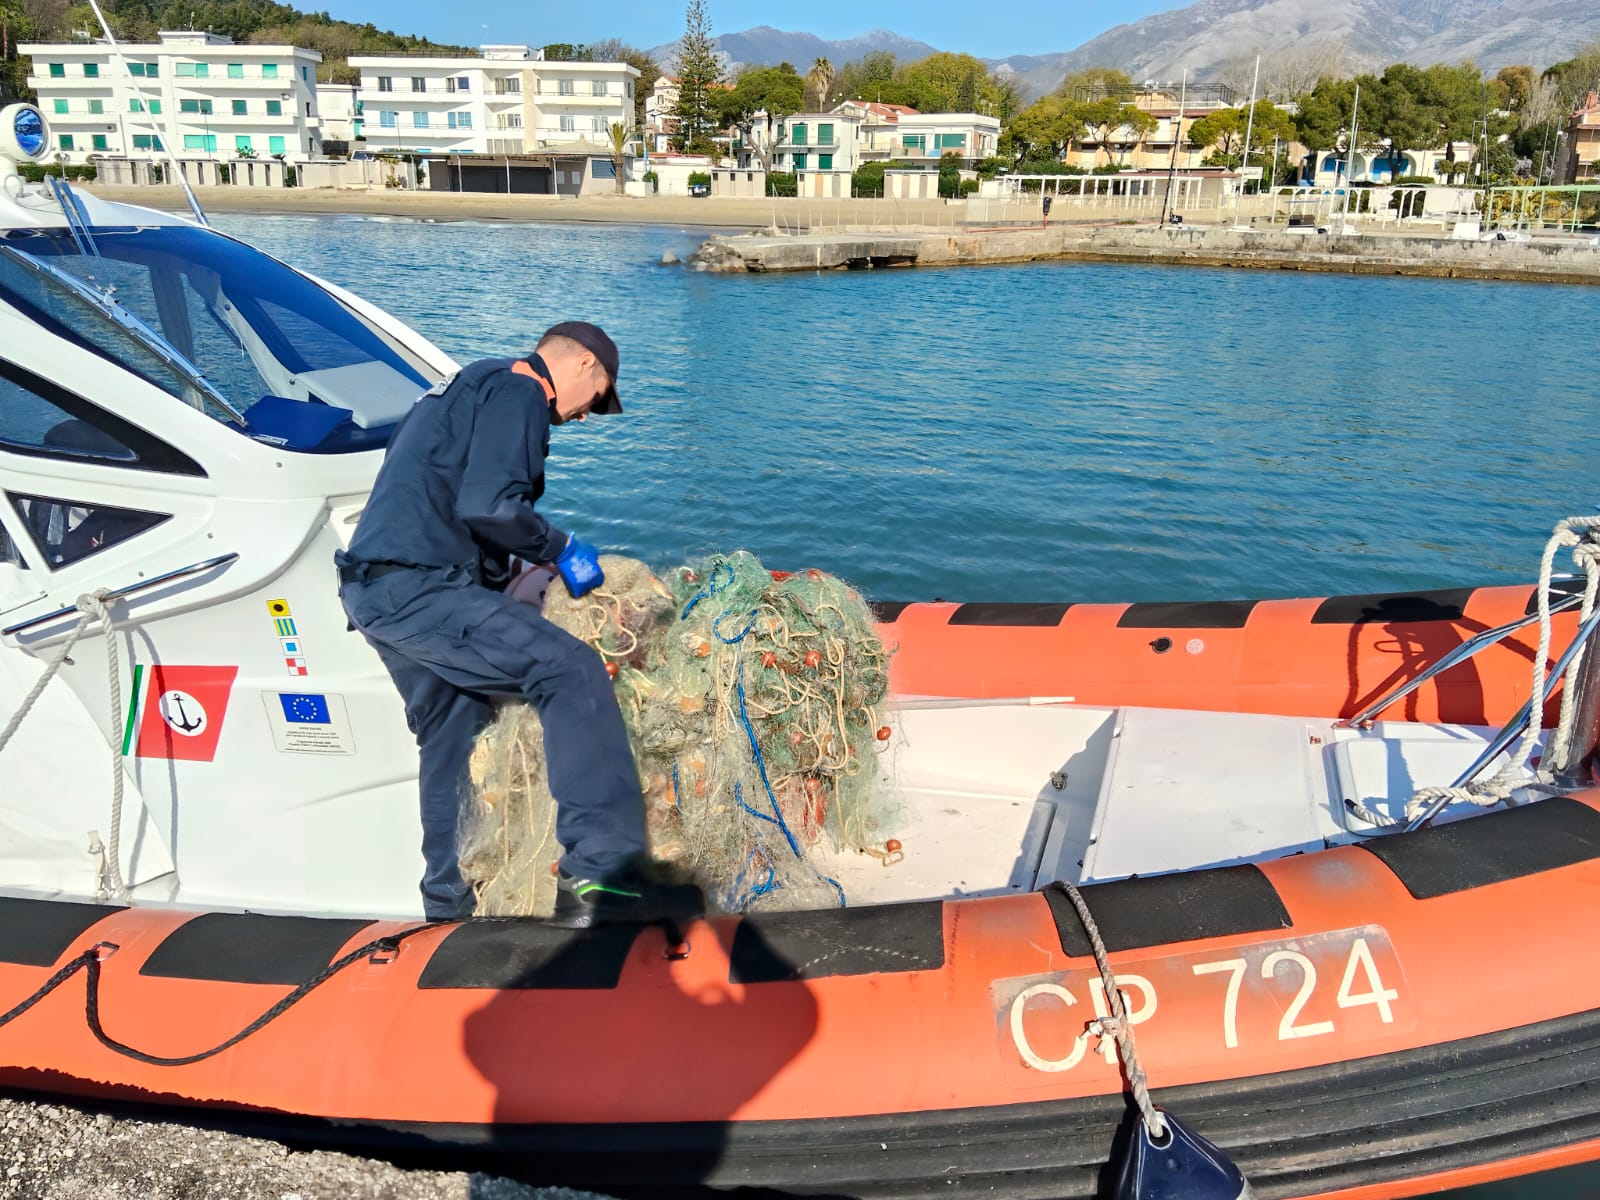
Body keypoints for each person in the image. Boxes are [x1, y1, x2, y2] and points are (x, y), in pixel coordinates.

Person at [337, 322, 679, 926]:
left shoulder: (472, 382)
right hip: (422, 590)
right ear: (584, 366)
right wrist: (560, 548)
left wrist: (505, 568)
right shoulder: (523, 390)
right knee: (570, 671)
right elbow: (490, 506)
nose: (585, 416)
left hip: (376, 591)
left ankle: (448, 902)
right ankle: (601, 876)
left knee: (452, 730)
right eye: (597, 398)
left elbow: (441, 493)